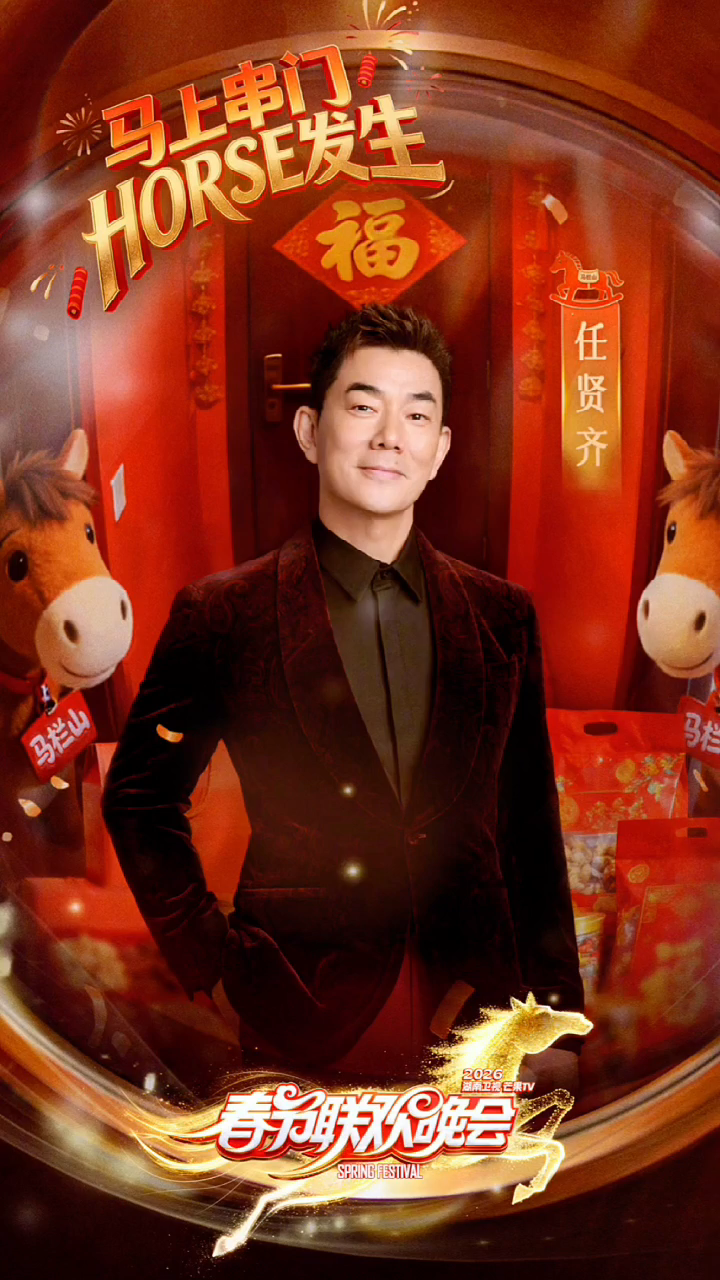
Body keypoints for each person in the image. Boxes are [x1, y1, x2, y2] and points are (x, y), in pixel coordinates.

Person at [102, 304, 584, 1088]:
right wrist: (213, 966)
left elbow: (530, 824)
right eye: (363, 407)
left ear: (440, 450)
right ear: (309, 431)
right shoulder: (224, 613)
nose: (390, 435)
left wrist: (560, 1013)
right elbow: (139, 797)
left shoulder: (503, 616)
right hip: (296, 1000)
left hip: (480, 1010)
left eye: (416, 415)